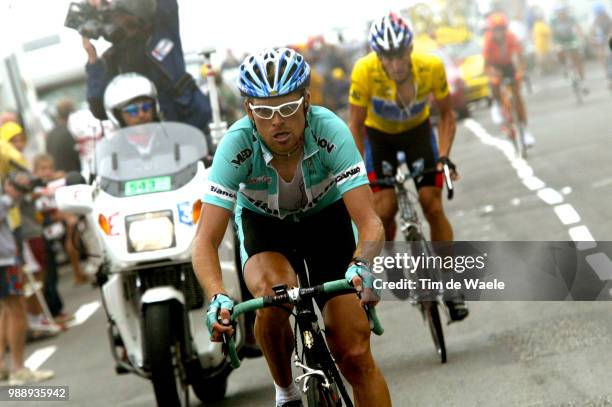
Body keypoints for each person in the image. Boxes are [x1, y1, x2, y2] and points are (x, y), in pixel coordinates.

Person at [193, 47, 391, 407]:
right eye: (264, 112)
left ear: (306, 102)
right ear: (249, 111)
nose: (277, 122)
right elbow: (205, 241)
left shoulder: (330, 130)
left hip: (326, 224)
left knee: (356, 355)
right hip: (266, 228)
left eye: (287, 108)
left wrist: (362, 263)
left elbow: (369, 221)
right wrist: (217, 295)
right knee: (273, 294)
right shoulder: (235, 146)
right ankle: (285, 389)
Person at [348, 13, 468, 321]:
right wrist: (357, 170)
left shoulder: (431, 67)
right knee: (384, 209)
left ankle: (452, 284)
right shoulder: (363, 71)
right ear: (378, 56)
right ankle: (389, 258)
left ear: (410, 49)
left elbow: (447, 116)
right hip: (379, 139)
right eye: (388, 57)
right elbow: (356, 127)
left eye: (401, 54)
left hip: (417, 135)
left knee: (432, 205)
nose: (396, 63)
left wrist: (443, 156)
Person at [82, 0, 212, 137]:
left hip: (191, 125)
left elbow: (167, 5)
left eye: (119, 13)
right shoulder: (112, 58)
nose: (118, 19)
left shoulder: (163, 30)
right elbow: (99, 109)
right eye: (113, 15)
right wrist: (92, 58)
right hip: (149, 140)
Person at [0, 163, 54, 384]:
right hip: (3, 261)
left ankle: (2, 366)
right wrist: (13, 191)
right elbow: (6, 202)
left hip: (5, 259)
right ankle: (18, 369)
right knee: (17, 310)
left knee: (6, 310)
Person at [483, 12, 535, 145]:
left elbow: (517, 56)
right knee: (494, 83)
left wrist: (519, 72)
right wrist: (493, 75)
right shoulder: (488, 41)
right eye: (496, 30)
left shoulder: (511, 37)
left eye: (501, 29)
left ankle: (524, 130)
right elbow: (487, 64)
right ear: (491, 31)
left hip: (508, 65)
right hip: (495, 67)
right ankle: (497, 104)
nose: (499, 33)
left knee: (517, 96)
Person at [550, 4, 587, 87]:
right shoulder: (553, 21)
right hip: (559, 40)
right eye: (560, 13)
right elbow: (552, 34)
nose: (562, 15)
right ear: (557, 14)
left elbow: (578, 29)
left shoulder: (571, 19)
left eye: (563, 12)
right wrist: (554, 44)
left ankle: (582, 77)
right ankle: (564, 66)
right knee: (559, 51)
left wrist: (581, 38)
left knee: (576, 56)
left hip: (571, 39)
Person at [46, 100, 81, 174]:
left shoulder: (50, 134)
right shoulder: (71, 132)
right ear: (72, 113)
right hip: (72, 177)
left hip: (58, 177)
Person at [589, 2, 612, 87]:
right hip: (601, 40)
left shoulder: (609, 17)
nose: (600, 15)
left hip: (609, 38)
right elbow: (591, 32)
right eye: (598, 13)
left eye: (601, 13)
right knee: (602, 55)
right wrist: (592, 39)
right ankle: (608, 76)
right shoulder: (593, 20)